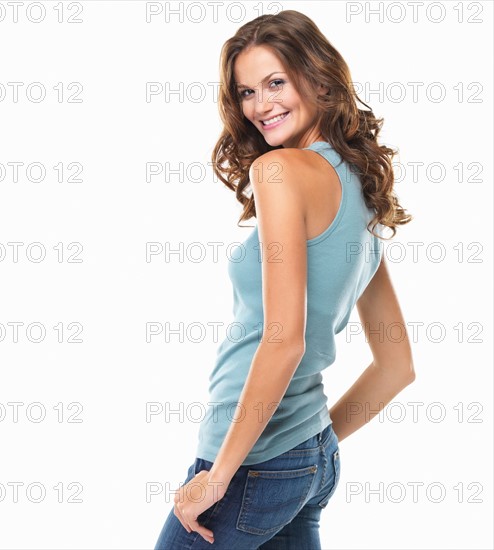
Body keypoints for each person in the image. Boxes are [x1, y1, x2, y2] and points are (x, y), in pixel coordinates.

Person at [154, 9, 415, 550]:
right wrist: (313, 450)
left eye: (276, 82)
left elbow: (283, 339)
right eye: (247, 91)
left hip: (246, 459)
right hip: (308, 459)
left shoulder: (278, 173)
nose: (260, 105)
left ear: (319, 78)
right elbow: (397, 367)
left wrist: (220, 477)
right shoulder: (362, 195)